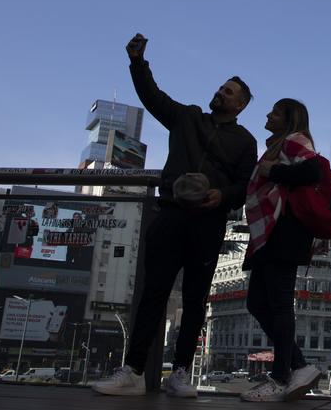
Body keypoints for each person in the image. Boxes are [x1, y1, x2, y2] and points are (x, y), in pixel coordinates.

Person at [93, 34, 257, 397]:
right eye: (221, 88)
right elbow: (153, 97)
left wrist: (222, 195)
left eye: (229, 92)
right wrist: (138, 62)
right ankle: (133, 370)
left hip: (208, 223)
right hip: (169, 213)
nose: (221, 93)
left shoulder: (246, 141)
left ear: (241, 105)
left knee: (196, 300)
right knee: (153, 293)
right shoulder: (187, 117)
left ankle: (180, 373)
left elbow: (247, 185)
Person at [240, 98, 323, 402]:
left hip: (284, 232)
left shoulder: (294, 141)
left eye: (274, 111)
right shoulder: (279, 146)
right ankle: (299, 365)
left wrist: (272, 171)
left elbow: (312, 170)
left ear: (289, 118)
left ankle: (280, 377)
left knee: (277, 304)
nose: (267, 114)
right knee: (257, 303)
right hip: (269, 234)